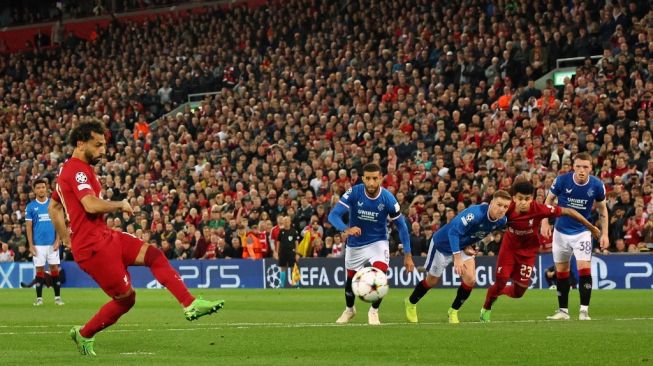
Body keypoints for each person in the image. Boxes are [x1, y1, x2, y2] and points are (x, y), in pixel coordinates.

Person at [48, 121, 224, 356]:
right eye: (98, 145)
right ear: (80, 143)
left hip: (104, 236)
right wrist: (119, 204)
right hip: (93, 248)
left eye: (104, 145)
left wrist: (65, 238)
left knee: (154, 255)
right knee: (126, 300)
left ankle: (190, 303)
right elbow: (89, 205)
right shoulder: (76, 170)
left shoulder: (72, 170)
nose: (103, 151)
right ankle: (84, 334)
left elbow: (54, 207)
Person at [480, 180, 600, 322]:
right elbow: (485, 214)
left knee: (519, 293)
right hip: (509, 250)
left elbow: (568, 211)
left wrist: (590, 227)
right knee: (500, 282)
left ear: (532, 198)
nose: (524, 202)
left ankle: (497, 293)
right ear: (513, 198)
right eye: (520, 198)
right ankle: (486, 308)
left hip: (528, 253)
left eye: (527, 199)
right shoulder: (507, 208)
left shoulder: (539, 209)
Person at [404, 190, 512, 324]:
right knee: (432, 281)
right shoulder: (475, 214)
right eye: (499, 205)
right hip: (442, 245)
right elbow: (454, 232)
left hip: (462, 247)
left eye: (505, 207)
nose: (501, 209)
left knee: (471, 279)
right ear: (491, 203)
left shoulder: (502, 220)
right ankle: (411, 302)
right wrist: (458, 258)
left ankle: (453, 311)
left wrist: (470, 246)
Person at [328, 163, 413, 325]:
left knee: (380, 276)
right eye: (368, 178)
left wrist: (408, 255)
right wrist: (346, 229)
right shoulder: (354, 192)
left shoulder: (388, 198)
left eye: (375, 178)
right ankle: (349, 310)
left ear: (381, 178)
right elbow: (333, 215)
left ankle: (374, 311)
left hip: (378, 242)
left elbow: (402, 226)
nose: (371, 183)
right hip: (355, 244)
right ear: (363, 179)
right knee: (350, 282)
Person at [541, 152, 610, 321]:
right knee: (561, 271)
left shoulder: (597, 185)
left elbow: (602, 210)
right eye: (578, 166)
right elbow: (548, 201)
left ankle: (584, 311)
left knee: (583, 269)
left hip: (582, 233)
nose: (581, 170)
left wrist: (605, 234)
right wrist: (544, 222)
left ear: (591, 168)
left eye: (585, 167)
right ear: (573, 166)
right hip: (560, 232)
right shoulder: (562, 180)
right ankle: (563, 311)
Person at [25, 178, 64, 306]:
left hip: (52, 243)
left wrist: (58, 240)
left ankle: (57, 298)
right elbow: (29, 227)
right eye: (38, 187)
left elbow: (59, 223)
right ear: (34, 190)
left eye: (43, 187)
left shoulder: (53, 204)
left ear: (46, 188)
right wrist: (30, 245)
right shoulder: (31, 207)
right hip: (38, 245)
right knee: (39, 270)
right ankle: (39, 299)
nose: (41, 189)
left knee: (54, 269)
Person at [276, 216, 299, 288]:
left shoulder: (294, 231)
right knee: (282, 268)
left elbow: (296, 243)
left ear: (290, 222)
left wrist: (297, 253)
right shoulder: (281, 231)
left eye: (287, 221)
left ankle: (296, 284)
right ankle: (282, 285)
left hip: (291, 252)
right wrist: (277, 252)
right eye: (285, 221)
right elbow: (278, 242)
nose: (286, 223)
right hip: (282, 252)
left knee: (294, 267)